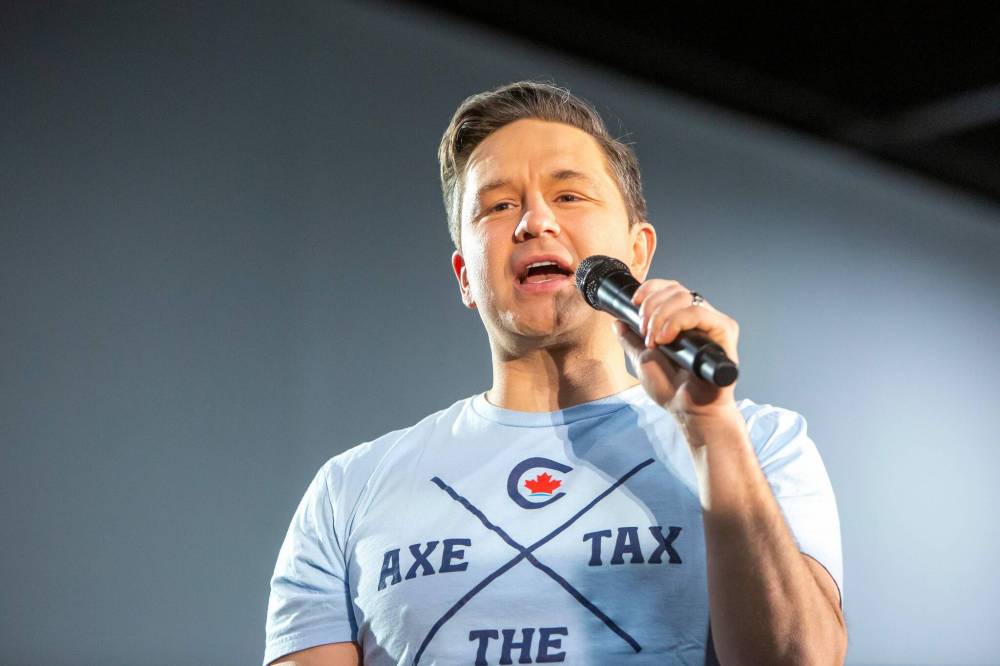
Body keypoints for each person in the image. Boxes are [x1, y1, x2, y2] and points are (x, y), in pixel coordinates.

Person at [263, 80, 847, 666]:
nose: (534, 221)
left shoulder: (763, 445)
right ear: (465, 276)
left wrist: (710, 428)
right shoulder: (348, 491)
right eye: (498, 206)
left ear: (637, 252)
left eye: (569, 196)